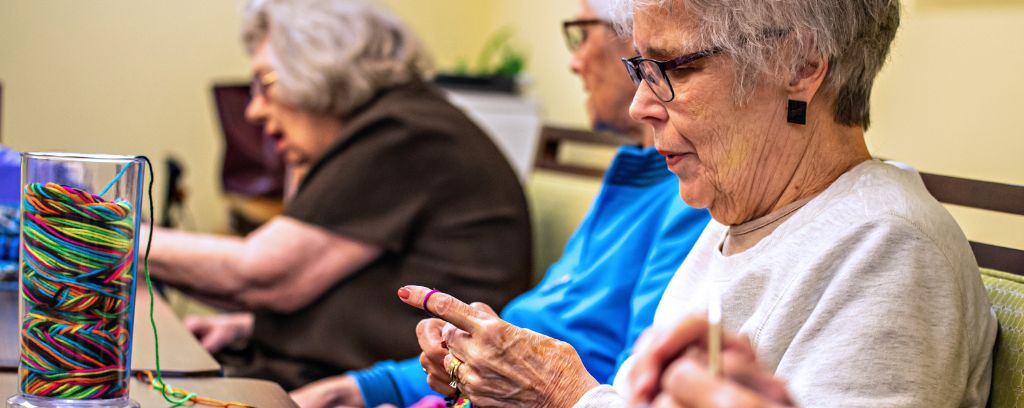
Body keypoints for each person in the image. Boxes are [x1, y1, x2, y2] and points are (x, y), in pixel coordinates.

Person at [402, 0, 997, 406]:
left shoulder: (890, 251)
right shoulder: (737, 223)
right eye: (639, 66)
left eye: (673, 68)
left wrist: (562, 392)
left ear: (802, 66)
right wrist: (494, 382)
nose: (640, 104)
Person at [288, 0, 710, 406]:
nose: (574, 62)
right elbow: (526, 342)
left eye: (583, 35)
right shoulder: (634, 178)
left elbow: (625, 388)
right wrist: (367, 387)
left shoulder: (690, 195)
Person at [147, 0, 532, 391]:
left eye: (266, 84)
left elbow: (260, 276)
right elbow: (338, 290)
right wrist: (247, 326)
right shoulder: (395, 122)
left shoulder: (402, 131)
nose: (254, 110)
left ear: (316, 67)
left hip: (376, 390)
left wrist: (110, 233)